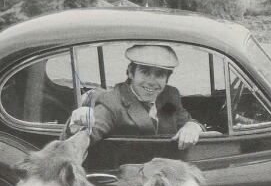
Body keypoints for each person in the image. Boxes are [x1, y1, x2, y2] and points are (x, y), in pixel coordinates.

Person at [65, 44, 203, 150]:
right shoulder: (112, 103)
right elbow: (87, 134)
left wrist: (193, 126)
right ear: (131, 73)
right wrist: (77, 125)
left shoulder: (169, 97)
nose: (152, 81)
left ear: (167, 79)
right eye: (145, 72)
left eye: (160, 74)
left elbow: (185, 120)